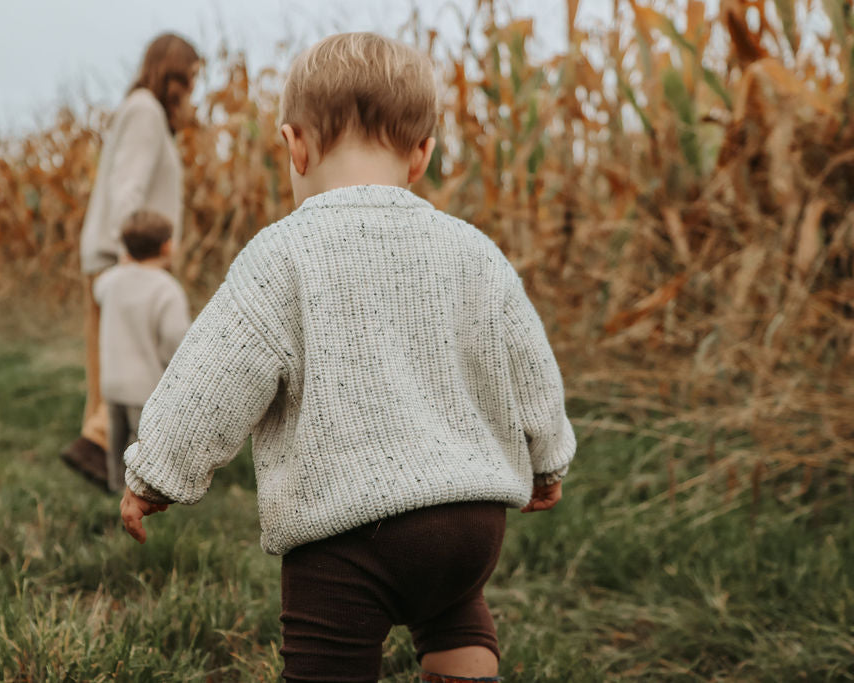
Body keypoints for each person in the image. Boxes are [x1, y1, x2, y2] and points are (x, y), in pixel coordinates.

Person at [120, 32, 576, 682]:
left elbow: (211, 377)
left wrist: (157, 471)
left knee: (328, 659)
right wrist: (547, 456)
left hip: (347, 535)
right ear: (421, 156)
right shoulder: (474, 250)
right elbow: (530, 362)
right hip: (471, 523)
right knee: (455, 618)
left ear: (295, 145)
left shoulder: (282, 254)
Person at [61, 33, 200, 485]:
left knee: (109, 366)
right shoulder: (145, 111)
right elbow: (129, 187)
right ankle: (102, 448)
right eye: (193, 76)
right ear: (174, 73)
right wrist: (134, 258)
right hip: (126, 257)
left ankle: (102, 464)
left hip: (119, 256)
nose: (195, 89)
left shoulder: (144, 112)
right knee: (136, 364)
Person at [92, 210, 191, 492]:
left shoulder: (111, 281)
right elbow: (175, 337)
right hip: (144, 387)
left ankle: (113, 488)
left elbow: (98, 290)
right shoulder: (167, 289)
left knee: (116, 441)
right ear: (166, 246)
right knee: (141, 448)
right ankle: (138, 496)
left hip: (112, 383)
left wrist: (123, 265)